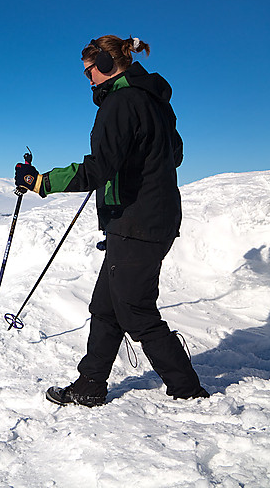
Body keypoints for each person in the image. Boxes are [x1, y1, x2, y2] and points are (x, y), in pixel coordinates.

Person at [15, 35, 209, 406]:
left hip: (137, 222)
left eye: (89, 70)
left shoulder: (120, 103)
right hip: (148, 220)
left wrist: (41, 182)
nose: (87, 79)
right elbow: (175, 155)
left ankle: (188, 390)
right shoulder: (156, 103)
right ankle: (90, 384)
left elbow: (99, 166)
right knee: (105, 307)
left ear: (106, 64)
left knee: (135, 311)